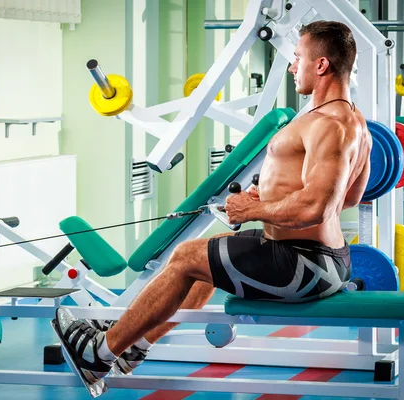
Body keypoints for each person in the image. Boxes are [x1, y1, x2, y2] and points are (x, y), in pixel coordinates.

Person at [52, 20, 372, 391]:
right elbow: (348, 196)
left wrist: (253, 210)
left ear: (320, 66)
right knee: (206, 261)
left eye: (297, 58)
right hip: (323, 258)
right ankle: (134, 346)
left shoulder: (328, 123)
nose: (291, 66)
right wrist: (269, 200)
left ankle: (99, 353)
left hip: (303, 262)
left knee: (187, 256)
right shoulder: (355, 122)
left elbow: (317, 206)